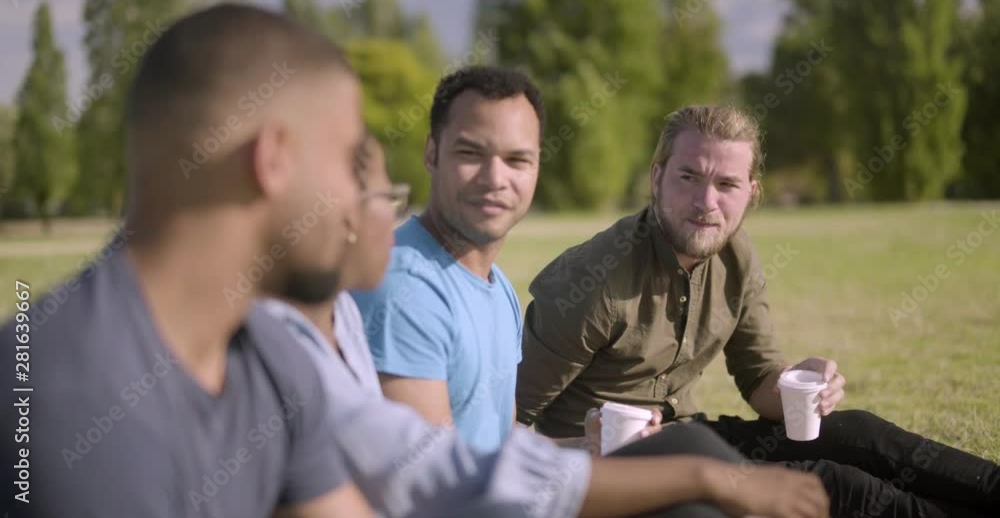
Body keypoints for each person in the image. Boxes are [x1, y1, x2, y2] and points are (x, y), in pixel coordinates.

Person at [259, 133, 831, 518]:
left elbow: (496, 440)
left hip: (546, 478)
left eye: (519, 160)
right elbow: (439, 476)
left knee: (727, 450)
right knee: (694, 466)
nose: (393, 219)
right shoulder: (387, 297)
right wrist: (699, 477)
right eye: (385, 198)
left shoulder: (488, 293)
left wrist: (581, 446)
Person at [515, 105, 1000, 517]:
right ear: (657, 177)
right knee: (836, 485)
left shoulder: (736, 257)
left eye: (726, 183)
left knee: (861, 433)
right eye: (688, 177)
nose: (706, 202)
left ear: (752, 192)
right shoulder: (591, 282)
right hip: (608, 476)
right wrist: (583, 447)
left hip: (690, 436)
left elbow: (759, 382)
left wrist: (804, 384)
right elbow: (500, 433)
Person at [0, 3, 374, 517]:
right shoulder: (60, 397)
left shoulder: (273, 362)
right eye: (351, 163)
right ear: (273, 158)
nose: (357, 200)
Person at [351, 66, 658, 455]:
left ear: (537, 167)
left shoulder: (498, 289)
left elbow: (501, 445)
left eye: (517, 159)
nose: (494, 177)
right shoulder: (402, 286)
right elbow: (430, 477)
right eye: (470, 153)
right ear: (432, 153)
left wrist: (589, 447)